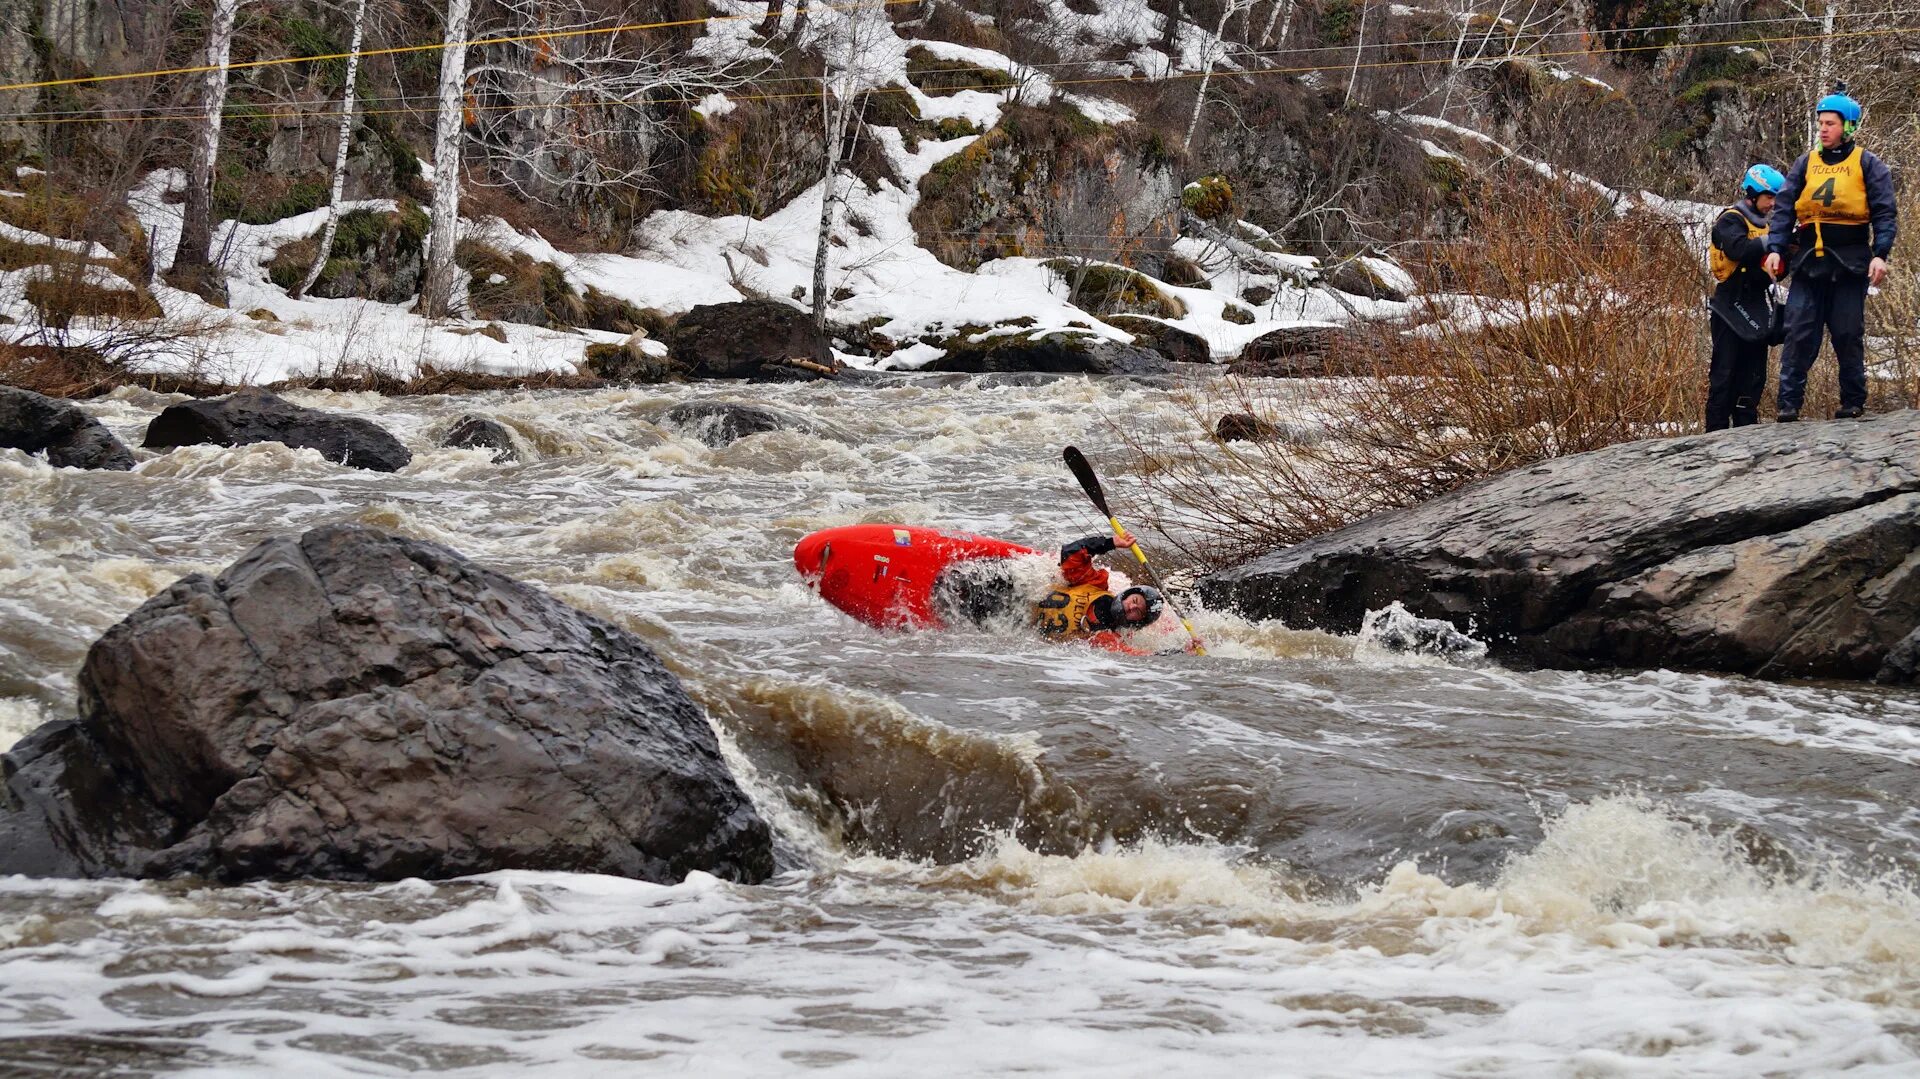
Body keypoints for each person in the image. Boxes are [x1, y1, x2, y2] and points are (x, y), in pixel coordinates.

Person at [1763, 88, 1898, 421]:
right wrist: (1776, 249)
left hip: (1849, 264)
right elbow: (1783, 210)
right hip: (1809, 263)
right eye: (1821, 123)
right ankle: (1788, 405)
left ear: (1848, 127)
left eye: (1831, 124)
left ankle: (1852, 401)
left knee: (1847, 333)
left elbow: (1884, 212)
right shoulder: (1804, 163)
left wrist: (1880, 254)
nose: (1823, 129)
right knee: (1798, 332)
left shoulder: (1868, 164)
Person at [1706, 164, 1787, 430]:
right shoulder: (1730, 220)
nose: (1772, 204)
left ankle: (1746, 431)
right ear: (1753, 193)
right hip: (1729, 306)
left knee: (1753, 379)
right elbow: (1737, 248)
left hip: (1755, 305)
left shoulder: (1767, 226)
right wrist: (1774, 242)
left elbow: (1773, 272)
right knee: (1724, 377)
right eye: (1769, 197)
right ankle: (1713, 436)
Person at [1030, 530, 1167, 652]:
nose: (1131, 607)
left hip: (1025, 626)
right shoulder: (1094, 584)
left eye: (1138, 611)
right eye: (1135, 600)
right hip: (1023, 597)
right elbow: (1071, 552)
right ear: (1127, 594)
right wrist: (1110, 543)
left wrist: (1179, 653)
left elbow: (1141, 656)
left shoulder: (1109, 638)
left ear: (1137, 622)